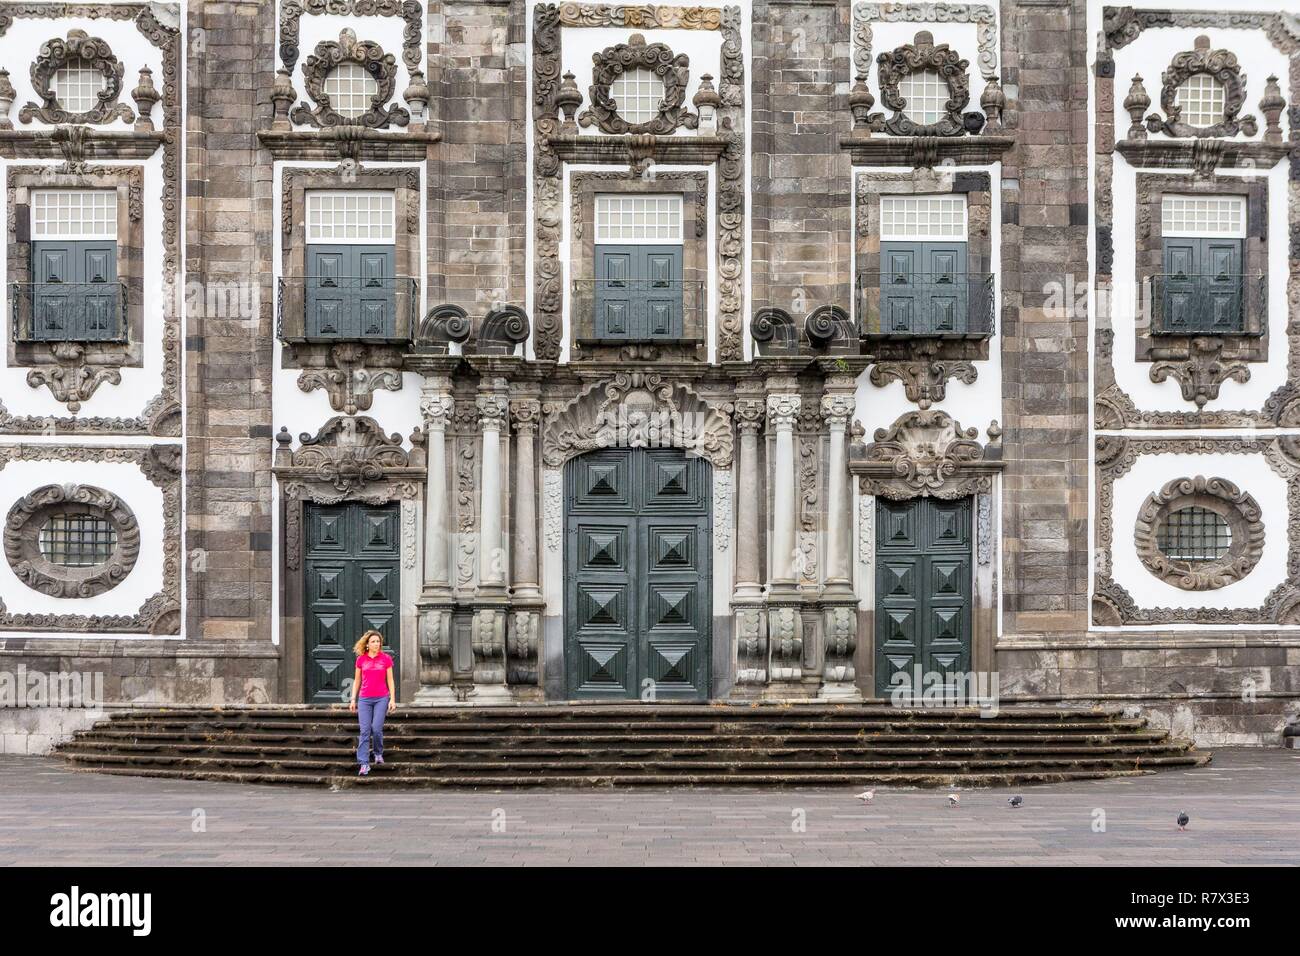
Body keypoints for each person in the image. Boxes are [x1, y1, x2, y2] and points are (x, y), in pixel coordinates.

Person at [348, 630, 396, 776]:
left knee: (376, 728)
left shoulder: (386, 659)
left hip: (382, 698)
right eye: (373, 641)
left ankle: (378, 753)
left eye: (378, 641)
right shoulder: (361, 660)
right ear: (367, 644)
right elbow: (357, 681)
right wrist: (353, 699)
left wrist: (392, 699)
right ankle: (363, 763)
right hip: (364, 699)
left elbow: (390, 680)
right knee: (364, 731)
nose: (376, 644)